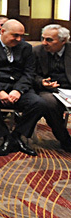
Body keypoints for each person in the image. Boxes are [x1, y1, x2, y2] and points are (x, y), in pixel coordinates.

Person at [0, 19, 43, 156]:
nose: (19, 39)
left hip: (17, 85)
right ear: (2, 31)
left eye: (21, 36)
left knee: (39, 103)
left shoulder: (26, 47)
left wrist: (18, 90)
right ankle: (5, 136)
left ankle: (17, 136)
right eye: (15, 35)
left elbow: (29, 72)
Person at [33, 24, 71, 152]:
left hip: (69, 89)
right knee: (49, 104)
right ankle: (65, 139)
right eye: (43, 38)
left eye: (49, 40)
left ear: (63, 41)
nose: (44, 43)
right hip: (48, 90)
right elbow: (31, 74)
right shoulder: (37, 51)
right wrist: (42, 82)